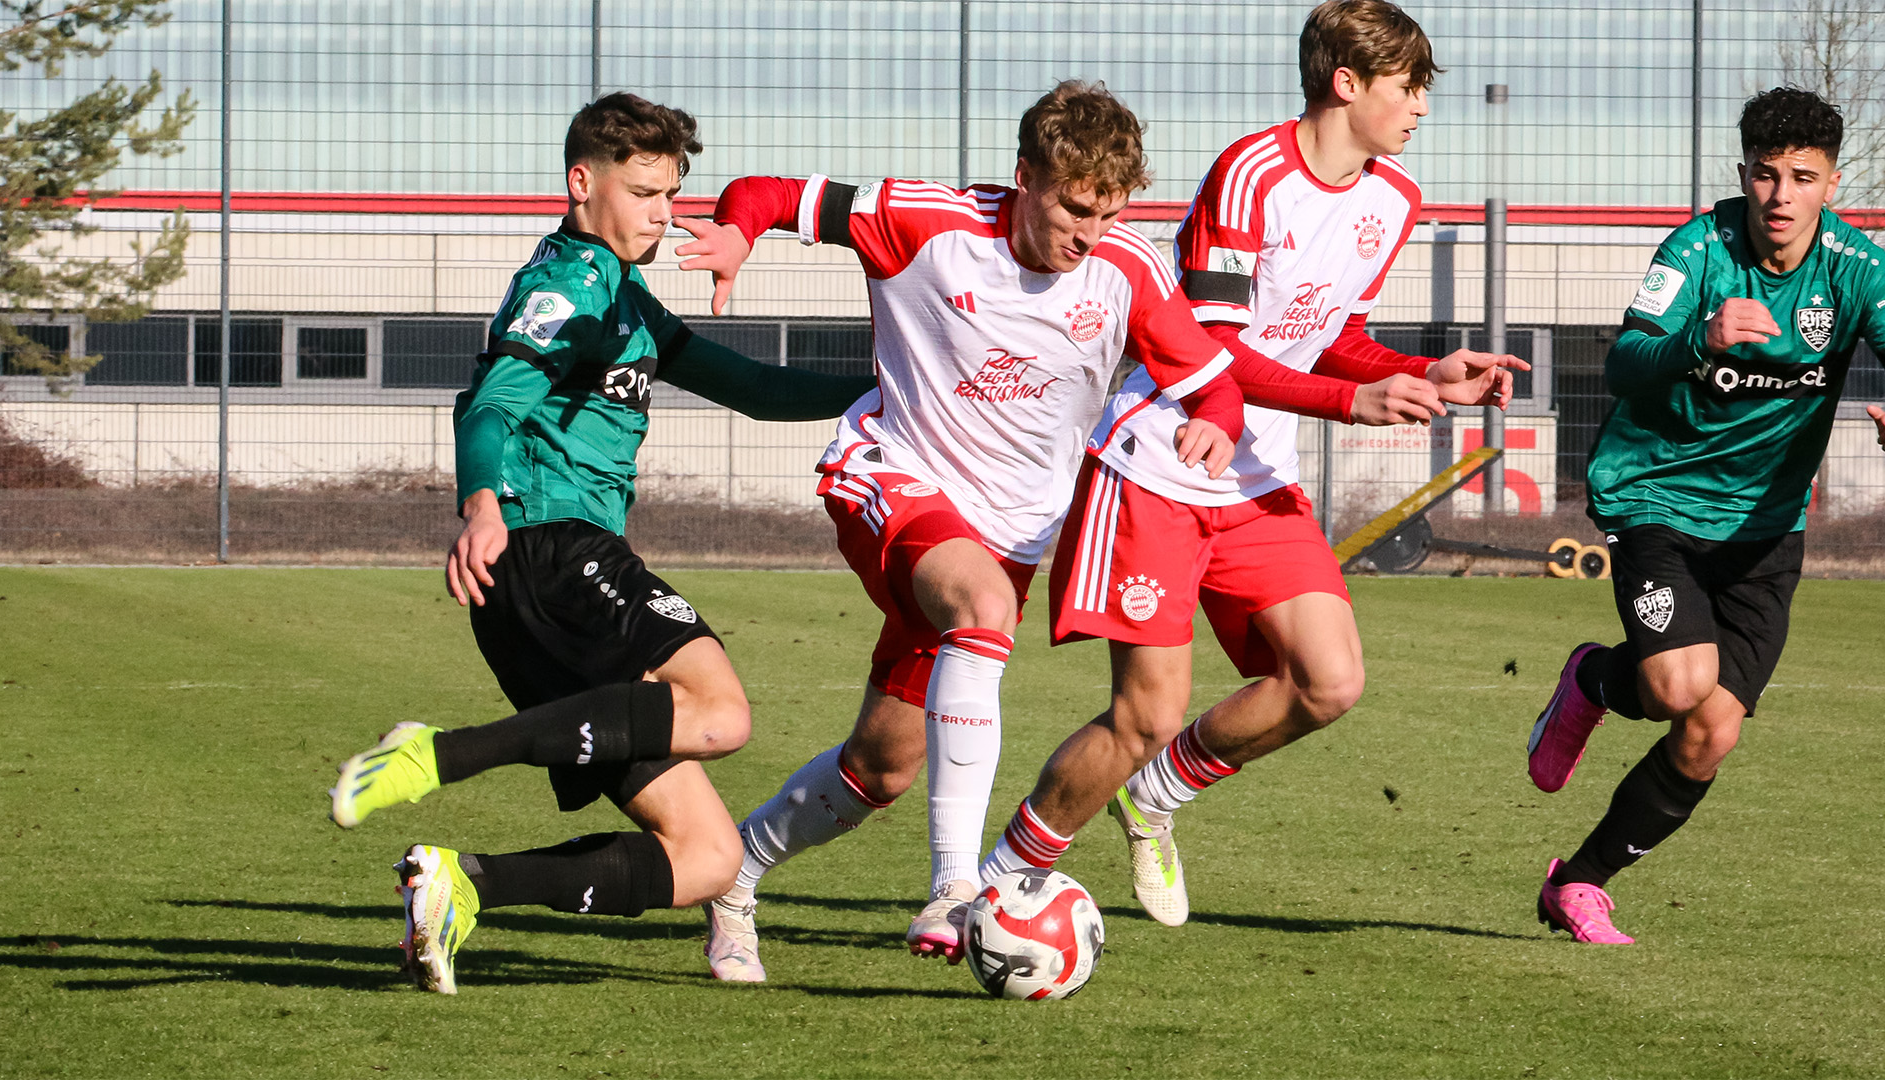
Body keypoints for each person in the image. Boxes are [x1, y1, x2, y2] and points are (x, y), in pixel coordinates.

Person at [673, 80, 1255, 981]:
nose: (1087, 231)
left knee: (882, 767)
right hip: (890, 478)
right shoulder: (923, 220)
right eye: (1070, 205)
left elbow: (1212, 380)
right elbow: (769, 194)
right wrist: (736, 232)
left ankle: (736, 876)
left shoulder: (1127, 272)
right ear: (1024, 176)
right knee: (979, 607)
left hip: (1007, 537)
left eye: (1107, 211)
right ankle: (956, 888)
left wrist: (1214, 418)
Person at [973, 0, 1525, 925]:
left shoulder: (1394, 199)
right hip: (1156, 463)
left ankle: (1155, 798)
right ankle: (1003, 879)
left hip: (1256, 478)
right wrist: (1356, 400)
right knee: (1143, 716)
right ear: (1346, 83)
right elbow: (1212, 353)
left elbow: (1333, 333)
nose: (1423, 105)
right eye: (1409, 86)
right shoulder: (1250, 173)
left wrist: (1419, 369)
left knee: (1330, 679)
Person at [323, 92, 875, 994]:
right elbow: (497, 400)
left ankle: (463, 884)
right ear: (583, 184)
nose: (666, 213)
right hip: (550, 550)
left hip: (541, 591)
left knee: (705, 855)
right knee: (722, 712)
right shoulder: (565, 285)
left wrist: (896, 385)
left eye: (673, 195)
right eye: (646, 191)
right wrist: (482, 504)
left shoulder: (627, 296)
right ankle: (435, 754)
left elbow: (754, 387)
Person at [1526, 86, 1885, 944]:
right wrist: (1703, 340)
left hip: (1766, 527)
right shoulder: (1697, 250)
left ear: (1832, 183)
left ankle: (1578, 883)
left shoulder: (1857, 268)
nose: (1781, 196)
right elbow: (1624, 363)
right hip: (1655, 497)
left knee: (1710, 732)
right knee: (1679, 685)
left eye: (1803, 177)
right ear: (1744, 176)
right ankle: (1595, 681)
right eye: (1766, 175)